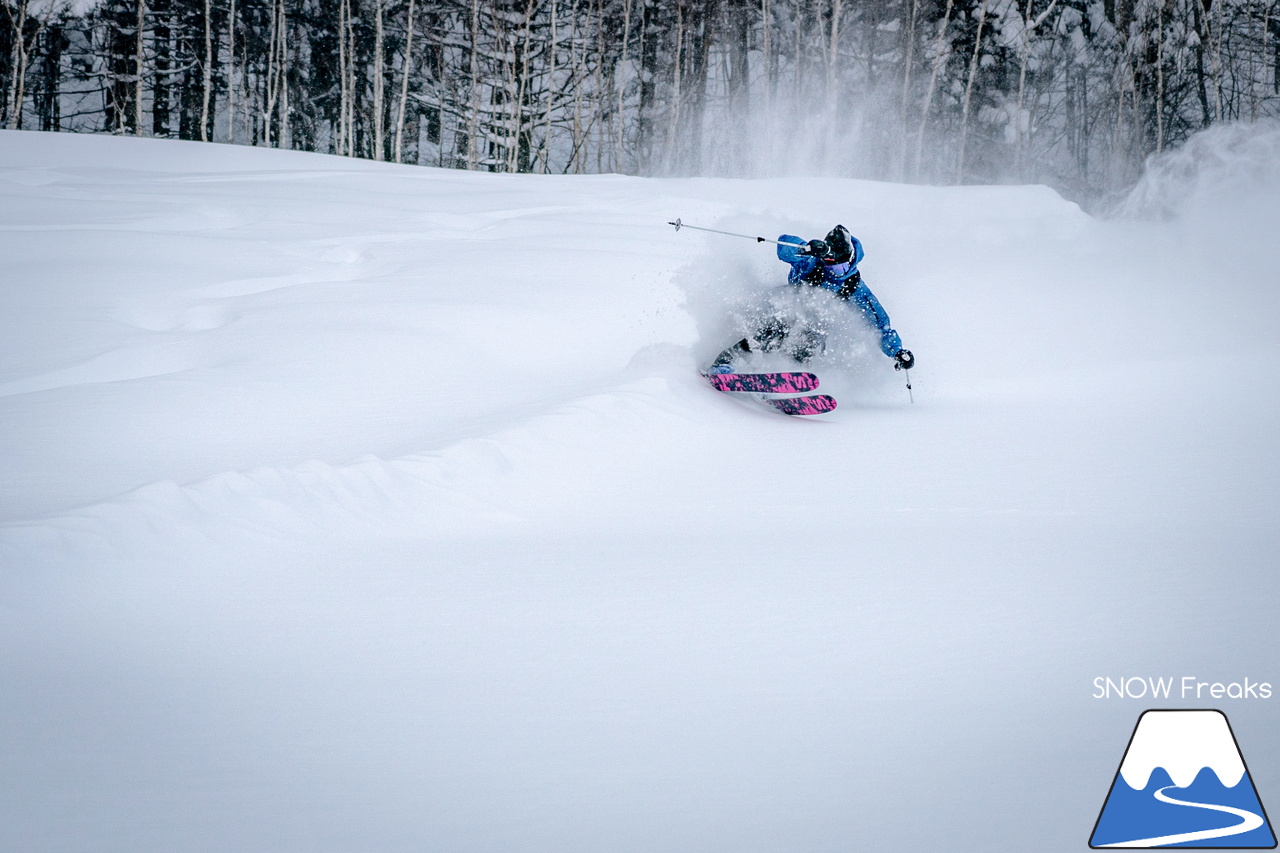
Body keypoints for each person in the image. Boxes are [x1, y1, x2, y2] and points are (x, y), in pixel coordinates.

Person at [708, 225, 914, 373]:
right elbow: (784, 246)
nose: (834, 271)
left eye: (839, 267)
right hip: (788, 309)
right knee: (773, 333)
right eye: (830, 265)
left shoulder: (855, 287)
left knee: (811, 342)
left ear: (850, 263)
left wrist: (897, 351)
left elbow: (879, 324)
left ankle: (789, 379)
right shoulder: (811, 263)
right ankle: (726, 362)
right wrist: (805, 247)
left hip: (816, 324)